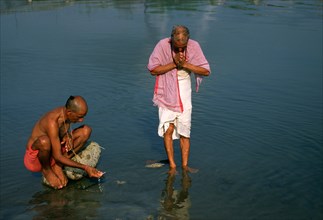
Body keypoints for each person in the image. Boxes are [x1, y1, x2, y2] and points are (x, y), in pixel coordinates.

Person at [147, 25, 211, 173]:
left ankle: (184, 165)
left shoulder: (194, 46)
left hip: (184, 92)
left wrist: (186, 65)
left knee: (184, 130)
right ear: (172, 40)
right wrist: (174, 64)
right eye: (177, 47)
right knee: (168, 129)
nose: (181, 50)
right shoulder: (163, 45)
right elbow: (153, 69)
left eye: (183, 47)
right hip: (167, 92)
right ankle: (172, 165)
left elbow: (206, 71)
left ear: (188, 41)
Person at [24, 95, 104, 189]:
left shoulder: (66, 114)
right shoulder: (52, 121)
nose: (81, 120)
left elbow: (61, 132)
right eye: (79, 117)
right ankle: (47, 171)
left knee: (86, 130)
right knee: (44, 141)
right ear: (69, 112)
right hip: (38, 159)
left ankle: (58, 166)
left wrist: (68, 135)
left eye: (83, 117)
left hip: (55, 152)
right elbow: (57, 156)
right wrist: (85, 168)